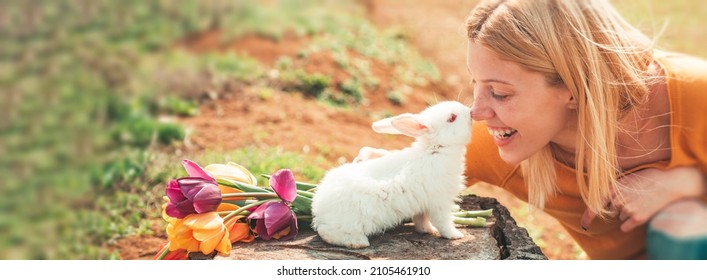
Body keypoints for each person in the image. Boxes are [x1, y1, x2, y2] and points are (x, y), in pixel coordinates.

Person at [461, 0, 706, 259]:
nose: (477, 111)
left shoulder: (694, 94)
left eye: (500, 93)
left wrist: (689, 183)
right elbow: (415, 185)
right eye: (474, 83)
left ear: (575, 89)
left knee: (682, 227)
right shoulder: (502, 137)